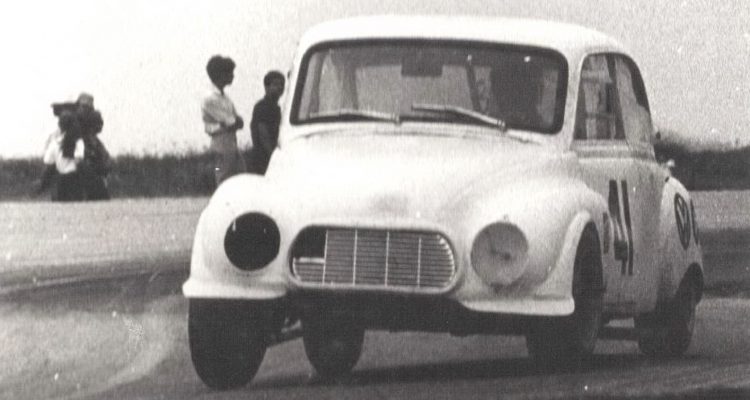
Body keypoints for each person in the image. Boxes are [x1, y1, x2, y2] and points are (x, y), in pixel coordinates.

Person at [201, 55, 246, 186]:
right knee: (223, 178)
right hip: (220, 143)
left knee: (240, 177)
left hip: (231, 142)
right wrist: (232, 122)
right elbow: (232, 122)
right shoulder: (210, 98)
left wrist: (232, 122)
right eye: (229, 72)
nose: (233, 76)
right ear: (220, 75)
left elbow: (238, 122)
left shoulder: (225, 98)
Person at [248, 70, 285, 175]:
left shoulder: (276, 108)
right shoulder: (262, 106)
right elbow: (263, 134)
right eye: (275, 84)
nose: (280, 87)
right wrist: (273, 156)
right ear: (266, 87)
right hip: (262, 158)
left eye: (282, 85)